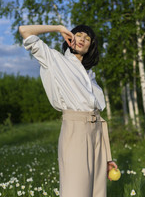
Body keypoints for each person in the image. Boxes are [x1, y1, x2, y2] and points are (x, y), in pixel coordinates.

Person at [19, 24, 118, 197]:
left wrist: (107, 158)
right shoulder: (55, 60)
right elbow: (25, 31)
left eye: (87, 39)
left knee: (98, 193)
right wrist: (58, 28)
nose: (82, 39)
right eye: (78, 35)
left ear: (91, 47)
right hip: (75, 132)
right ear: (70, 38)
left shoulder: (90, 75)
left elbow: (97, 116)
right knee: (76, 192)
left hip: (96, 136)